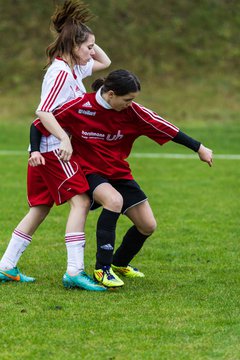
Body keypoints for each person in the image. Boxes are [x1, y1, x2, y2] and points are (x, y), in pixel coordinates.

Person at [29, 69, 213, 289]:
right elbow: (38, 125)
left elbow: (164, 127)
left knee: (147, 225)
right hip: (88, 171)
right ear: (111, 94)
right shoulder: (80, 106)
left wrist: (199, 148)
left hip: (118, 172)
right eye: (127, 99)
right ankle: (102, 269)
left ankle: (119, 263)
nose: (131, 104)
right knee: (113, 201)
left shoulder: (133, 112)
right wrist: (35, 152)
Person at [0, 0, 111, 291]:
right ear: (73, 47)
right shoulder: (60, 72)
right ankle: (74, 271)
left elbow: (105, 62)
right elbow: (43, 111)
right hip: (52, 150)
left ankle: (6, 266)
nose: (91, 52)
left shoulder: (73, 69)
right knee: (82, 202)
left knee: (39, 207)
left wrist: (84, 37)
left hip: (44, 149)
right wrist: (64, 138)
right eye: (87, 46)